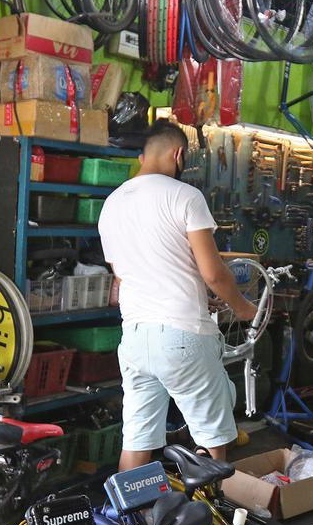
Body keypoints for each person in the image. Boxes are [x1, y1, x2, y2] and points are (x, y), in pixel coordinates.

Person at [99, 120, 257, 470]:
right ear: (179, 154)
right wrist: (243, 308)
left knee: (138, 440)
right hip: (183, 336)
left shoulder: (111, 204)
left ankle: (133, 519)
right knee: (211, 438)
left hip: (136, 338)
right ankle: (209, 518)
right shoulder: (186, 196)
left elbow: (125, 274)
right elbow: (214, 272)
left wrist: (196, 292)